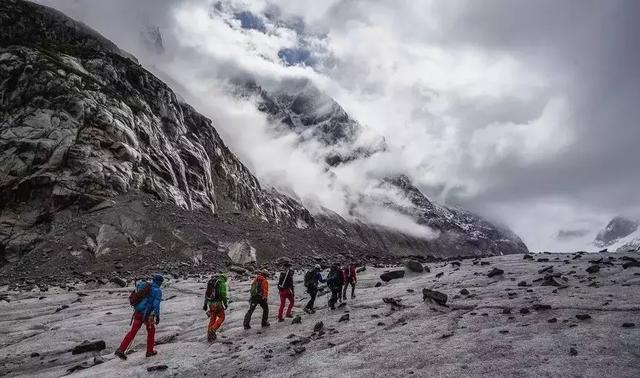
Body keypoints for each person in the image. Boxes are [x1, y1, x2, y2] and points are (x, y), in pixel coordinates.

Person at [115, 273, 163, 360]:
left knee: (133, 331)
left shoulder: (146, 286)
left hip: (137, 313)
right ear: (159, 282)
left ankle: (121, 349)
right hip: (147, 315)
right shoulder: (157, 291)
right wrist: (157, 316)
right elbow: (156, 305)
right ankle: (149, 351)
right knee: (151, 331)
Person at [203, 274, 229, 342]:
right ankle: (213, 329)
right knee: (222, 317)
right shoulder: (221, 283)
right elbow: (223, 294)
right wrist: (225, 303)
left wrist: (205, 304)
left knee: (212, 319)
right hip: (218, 304)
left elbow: (206, 293)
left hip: (210, 304)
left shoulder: (211, 282)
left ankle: (210, 335)